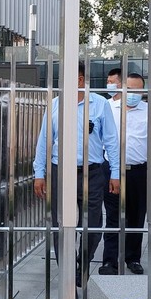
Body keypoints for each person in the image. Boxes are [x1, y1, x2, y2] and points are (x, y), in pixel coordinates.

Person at [33, 61, 120, 287]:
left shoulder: (100, 104)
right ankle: (69, 277)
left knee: (92, 226)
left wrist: (116, 174)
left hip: (92, 173)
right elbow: (44, 141)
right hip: (60, 172)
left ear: (80, 80)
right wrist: (39, 173)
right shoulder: (54, 105)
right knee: (61, 226)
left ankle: (83, 261)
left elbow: (111, 140)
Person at [101, 72, 149, 274]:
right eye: (130, 89)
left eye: (138, 90)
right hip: (111, 170)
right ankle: (109, 261)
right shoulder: (108, 108)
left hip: (139, 170)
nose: (133, 94)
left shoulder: (149, 111)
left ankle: (133, 258)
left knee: (136, 216)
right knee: (112, 216)